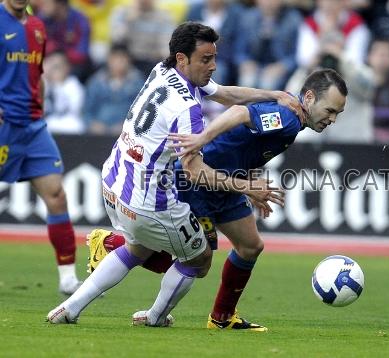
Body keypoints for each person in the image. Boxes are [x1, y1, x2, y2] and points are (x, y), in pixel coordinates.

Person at [46, 21, 302, 326]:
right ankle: (155, 317)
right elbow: (195, 173)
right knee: (200, 257)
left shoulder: (161, 70)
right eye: (206, 59)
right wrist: (247, 187)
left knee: (137, 248)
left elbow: (223, 94)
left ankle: (71, 307)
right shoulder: (187, 109)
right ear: (183, 58)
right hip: (148, 201)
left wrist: (273, 95)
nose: (213, 66)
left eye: (214, 58)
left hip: (113, 183)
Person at [87, 68, 347, 331]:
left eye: (338, 114)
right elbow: (239, 113)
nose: (333, 119)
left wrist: (249, 185)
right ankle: (111, 245)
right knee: (195, 259)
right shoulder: (288, 117)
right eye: (330, 111)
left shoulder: (291, 114)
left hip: (228, 184)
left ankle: (222, 317)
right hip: (201, 181)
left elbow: (246, 141)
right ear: (310, 97)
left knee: (250, 246)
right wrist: (202, 138)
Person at [0, 0, 81, 295]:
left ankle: (67, 278)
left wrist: (41, 111)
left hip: (33, 126)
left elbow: (38, 74)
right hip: (3, 122)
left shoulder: (36, 27)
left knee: (56, 195)